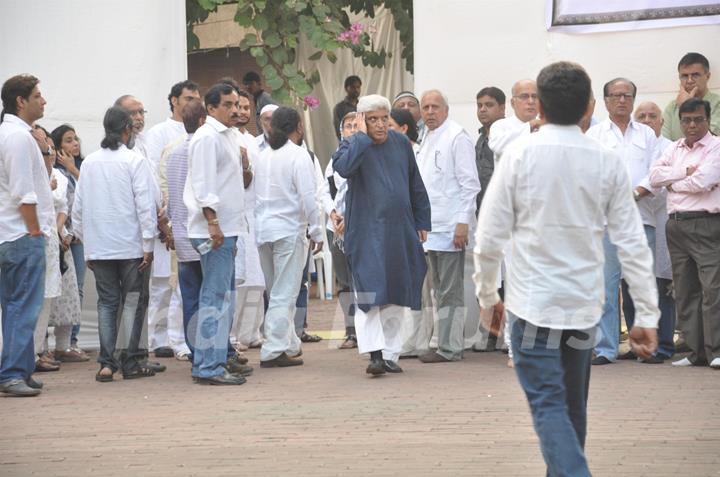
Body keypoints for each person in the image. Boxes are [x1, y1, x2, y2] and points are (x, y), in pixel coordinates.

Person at [474, 61, 659, 476]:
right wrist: (646, 312)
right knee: (571, 411)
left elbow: (489, 238)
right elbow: (630, 241)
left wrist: (489, 296)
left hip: (534, 309)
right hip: (581, 312)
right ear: (588, 107)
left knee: (550, 408)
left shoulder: (519, 155)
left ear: (538, 105)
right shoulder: (606, 160)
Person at [333, 94, 431, 375]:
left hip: (400, 230)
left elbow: (415, 182)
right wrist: (361, 138)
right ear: (362, 120)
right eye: (372, 119)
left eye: (383, 119)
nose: (379, 125)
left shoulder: (400, 142)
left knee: (396, 291)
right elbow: (344, 168)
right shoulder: (352, 144)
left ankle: (390, 354)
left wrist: (422, 219)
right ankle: (374, 354)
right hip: (366, 232)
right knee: (369, 290)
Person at [72, 106, 158, 383]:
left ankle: (106, 363)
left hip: (101, 246)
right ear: (126, 130)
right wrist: (148, 243)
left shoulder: (89, 162)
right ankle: (130, 362)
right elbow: (145, 206)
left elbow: (79, 209)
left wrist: (87, 244)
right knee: (132, 302)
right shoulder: (134, 160)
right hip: (131, 246)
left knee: (107, 304)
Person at [586, 78, 661, 365]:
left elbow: (655, 172)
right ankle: (606, 348)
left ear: (633, 99)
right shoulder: (594, 136)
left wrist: (635, 193)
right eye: (615, 95)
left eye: (627, 95)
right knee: (606, 287)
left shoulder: (647, 135)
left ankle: (643, 348)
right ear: (605, 101)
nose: (621, 100)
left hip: (641, 219)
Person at [184, 83, 247, 385]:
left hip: (227, 228)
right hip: (214, 229)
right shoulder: (207, 138)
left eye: (237, 104)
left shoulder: (228, 135)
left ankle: (217, 360)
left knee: (224, 298)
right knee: (215, 298)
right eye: (228, 104)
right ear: (211, 109)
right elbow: (203, 186)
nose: (235, 109)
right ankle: (208, 367)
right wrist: (213, 224)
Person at [649, 98, 720, 370]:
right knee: (686, 290)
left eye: (698, 119)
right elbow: (655, 176)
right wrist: (682, 173)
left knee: (713, 289)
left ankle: (716, 351)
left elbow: (704, 181)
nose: (692, 125)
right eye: (687, 120)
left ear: (707, 120)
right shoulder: (674, 148)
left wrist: (674, 184)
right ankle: (695, 352)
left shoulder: (716, 147)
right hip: (675, 226)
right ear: (680, 122)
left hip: (706, 224)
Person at [254, 107, 323, 368]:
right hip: (289, 230)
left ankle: (289, 342)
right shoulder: (298, 155)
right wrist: (316, 230)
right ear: (299, 127)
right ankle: (273, 349)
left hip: (264, 231)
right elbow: (308, 197)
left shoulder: (263, 155)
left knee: (276, 292)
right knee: (285, 292)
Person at [416, 89, 481, 364]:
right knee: (438, 289)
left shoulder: (457, 137)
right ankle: (443, 342)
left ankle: (451, 347)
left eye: (435, 107)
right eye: (426, 107)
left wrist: (463, 223)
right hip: (432, 227)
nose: (430, 112)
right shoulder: (427, 137)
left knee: (450, 290)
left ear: (446, 109)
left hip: (452, 226)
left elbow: (470, 185)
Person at [0, 74, 54, 396]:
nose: (43, 100)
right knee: (23, 307)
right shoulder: (18, 137)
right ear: (21, 101)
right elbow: (24, 191)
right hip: (21, 234)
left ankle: (17, 368)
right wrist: (34, 230)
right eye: (37, 95)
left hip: (10, 234)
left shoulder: (9, 133)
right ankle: (13, 374)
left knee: (13, 307)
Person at [144, 80, 200, 361]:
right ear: (174, 101)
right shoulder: (158, 133)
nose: (192, 102)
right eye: (187, 98)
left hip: (193, 221)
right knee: (162, 285)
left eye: (196, 98)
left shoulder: (202, 133)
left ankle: (181, 339)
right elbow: (156, 176)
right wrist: (163, 218)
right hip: (169, 218)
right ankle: (158, 339)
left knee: (182, 286)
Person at [627, 101, 676, 363]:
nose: (647, 120)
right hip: (637, 222)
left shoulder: (671, 148)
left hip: (665, 223)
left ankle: (665, 344)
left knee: (662, 285)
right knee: (632, 285)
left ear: (661, 122)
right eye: (641, 116)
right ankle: (638, 346)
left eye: (652, 116)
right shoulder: (631, 148)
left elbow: (658, 183)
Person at [318, 112, 358, 349]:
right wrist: (333, 213)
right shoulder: (334, 160)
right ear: (341, 132)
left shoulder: (367, 155)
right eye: (348, 126)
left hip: (359, 226)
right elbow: (323, 191)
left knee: (362, 280)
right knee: (344, 281)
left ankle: (368, 331)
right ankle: (351, 331)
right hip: (337, 227)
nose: (352, 129)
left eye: (356, 125)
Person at [50, 124, 87, 355]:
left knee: (78, 289)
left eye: (76, 139)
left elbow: (92, 189)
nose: (75, 143)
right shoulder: (53, 173)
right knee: (55, 289)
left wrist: (73, 168)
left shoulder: (81, 168)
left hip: (78, 237)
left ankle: (71, 340)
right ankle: (48, 343)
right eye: (68, 140)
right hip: (60, 235)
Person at [662, 53, 720, 140]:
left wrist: (686, 107)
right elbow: (665, 143)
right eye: (684, 76)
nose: (689, 80)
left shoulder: (717, 103)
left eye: (695, 75)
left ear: (707, 76)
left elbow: (714, 141)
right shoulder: (672, 107)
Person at [474, 87, 506, 212]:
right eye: (479, 105)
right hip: (480, 209)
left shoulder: (509, 136)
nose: (482, 109)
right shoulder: (481, 138)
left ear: (502, 108)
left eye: (489, 105)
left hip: (501, 208)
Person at [333, 75, 362, 140]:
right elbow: (339, 130)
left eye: (358, 87)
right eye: (353, 87)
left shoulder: (363, 106)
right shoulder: (339, 108)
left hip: (364, 145)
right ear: (346, 88)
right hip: (348, 144)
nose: (356, 90)